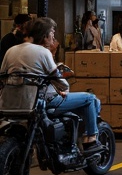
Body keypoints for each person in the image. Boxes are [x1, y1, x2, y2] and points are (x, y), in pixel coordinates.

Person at [0, 16, 102, 150]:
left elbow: (2, 76)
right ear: (45, 35)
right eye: (52, 32)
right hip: (40, 103)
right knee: (90, 98)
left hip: (10, 104)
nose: (53, 37)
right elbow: (61, 82)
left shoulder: (11, 51)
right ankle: (91, 140)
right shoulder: (43, 52)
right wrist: (63, 89)